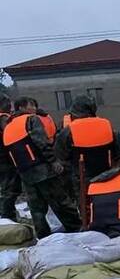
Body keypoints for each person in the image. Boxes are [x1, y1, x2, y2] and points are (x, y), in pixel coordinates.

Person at [3, 101, 81, 238]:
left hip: (25, 172)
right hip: (42, 169)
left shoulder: (9, 126)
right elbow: (41, 142)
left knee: (36, 207)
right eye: (31, 106)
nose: (34, 108)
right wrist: (53, 161)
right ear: (21, 108)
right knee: (60, 201)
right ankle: (76, 228)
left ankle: (43, 236)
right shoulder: (31, 120)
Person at [54, 95, 120, 201]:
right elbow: (118, 152)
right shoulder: (107, 125)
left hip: (82, 181)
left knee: (86, 210)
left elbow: (60, 158)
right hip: (109, 176)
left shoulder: (68, 131)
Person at [0, 96, 21, 220]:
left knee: (7, 189)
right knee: (9, 190)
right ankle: (7, 216)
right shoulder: (3, 118)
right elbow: (9, 134)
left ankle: (7, 215)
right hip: (6, 159)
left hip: (4, 159)